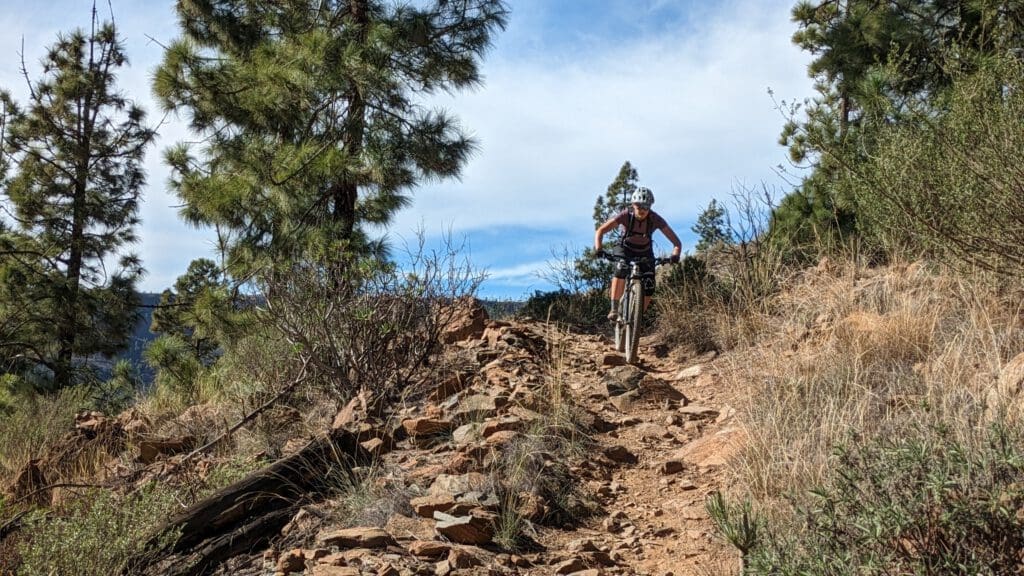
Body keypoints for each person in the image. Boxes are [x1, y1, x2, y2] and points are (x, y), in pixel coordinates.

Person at [593, 186, 682, 320]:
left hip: (645, 251)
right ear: (633, 205)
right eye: (639, 206)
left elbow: (677, 243)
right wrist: (599, 249)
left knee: (649, 284)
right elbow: (600, 231)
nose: (642, 210)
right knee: (621, 267)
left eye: (646, 206)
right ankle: (614, 309)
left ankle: (637, 319)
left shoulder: (655, 219)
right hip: (624, 248)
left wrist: (675, 255)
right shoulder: (626, 215)